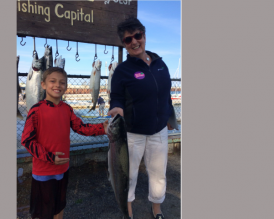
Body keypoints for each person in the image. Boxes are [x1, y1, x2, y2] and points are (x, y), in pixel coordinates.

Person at [108, 17, 179, 219]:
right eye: (128, 40)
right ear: (124, 44)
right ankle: (127, 211)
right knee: (128, 176)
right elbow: (117, 98)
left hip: (159, 130)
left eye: (137, 36)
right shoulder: (122, 71)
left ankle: (157, 209)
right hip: (132, 133)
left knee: (158, 174)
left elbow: (165, 95)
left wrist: (169, 118)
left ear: (144, 36)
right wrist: (116, 110)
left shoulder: (160, 64)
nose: (134, 42)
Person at [21, 67, 109, 219]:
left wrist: (103, 128)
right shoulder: (36, 110)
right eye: (52, 81)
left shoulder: (67, 109)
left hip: (62, 169)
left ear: (66, 87)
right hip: (43, 171)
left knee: (59, 206)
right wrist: (49, 157)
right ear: (43, 85)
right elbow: (27, 140)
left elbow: (81, 128)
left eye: (62, 82)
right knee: (42, 211)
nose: (57, 85)